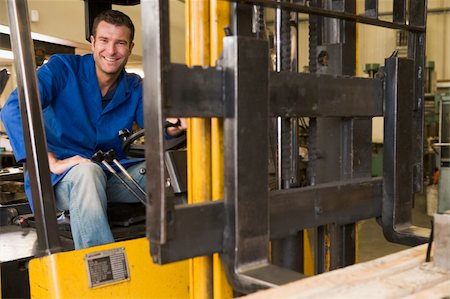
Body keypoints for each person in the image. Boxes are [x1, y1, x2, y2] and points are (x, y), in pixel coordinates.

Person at [0, 10, 184, 249]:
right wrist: (50, 162)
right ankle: (102, 270)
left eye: (120, 43)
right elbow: (14, 108)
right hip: (61, 180)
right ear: (93, 42)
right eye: (105, 41)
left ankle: (181, 251)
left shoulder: (135, 86)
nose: (111, 50)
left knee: (171, 168)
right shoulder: (62, 69)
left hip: (113, 176)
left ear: (130, 47)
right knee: (87, 172)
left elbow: (158, 125)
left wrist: (175, 127)